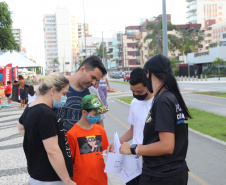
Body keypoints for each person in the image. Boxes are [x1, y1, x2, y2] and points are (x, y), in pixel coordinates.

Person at [120, 54, 191, 185]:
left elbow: (167, 146)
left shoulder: (162, 101)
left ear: (148, 73)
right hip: (176, 172)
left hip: (161, 176)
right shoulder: (173, 97)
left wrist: (133, 149)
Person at [17, 73, 76, 185]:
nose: (65, 98)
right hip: (51, 178)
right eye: (64, 93)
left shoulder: (31, 107)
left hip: (38, 175)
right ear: (53, 91)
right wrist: (67, 180)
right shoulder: (46, 114)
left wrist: (38, 141)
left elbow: (20, 127)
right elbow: (53, 151)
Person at [107, 68, 153, 185]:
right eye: (133, 92)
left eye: (140, 92)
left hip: (150, 159)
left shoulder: (157, 103)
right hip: (133, 159)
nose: (136, 95)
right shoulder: (134, 103)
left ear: (149, 85)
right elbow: (133, 130)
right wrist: (116, 143)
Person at [55, 56, 107, 130]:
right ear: (82, 69)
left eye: (97, 80)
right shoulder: (58, 85)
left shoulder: (93, 92)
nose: (93, 82)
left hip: (84, 140)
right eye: (93, 77)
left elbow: (99, 122)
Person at [67, 94, 109, 185]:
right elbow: (69, 161)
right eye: (95, 114)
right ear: (84, 112)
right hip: (81, 181)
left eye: (99, 114)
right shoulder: (72, 134)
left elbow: (102, 153)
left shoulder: (100, 130)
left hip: (100, 179)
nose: (98, 116)